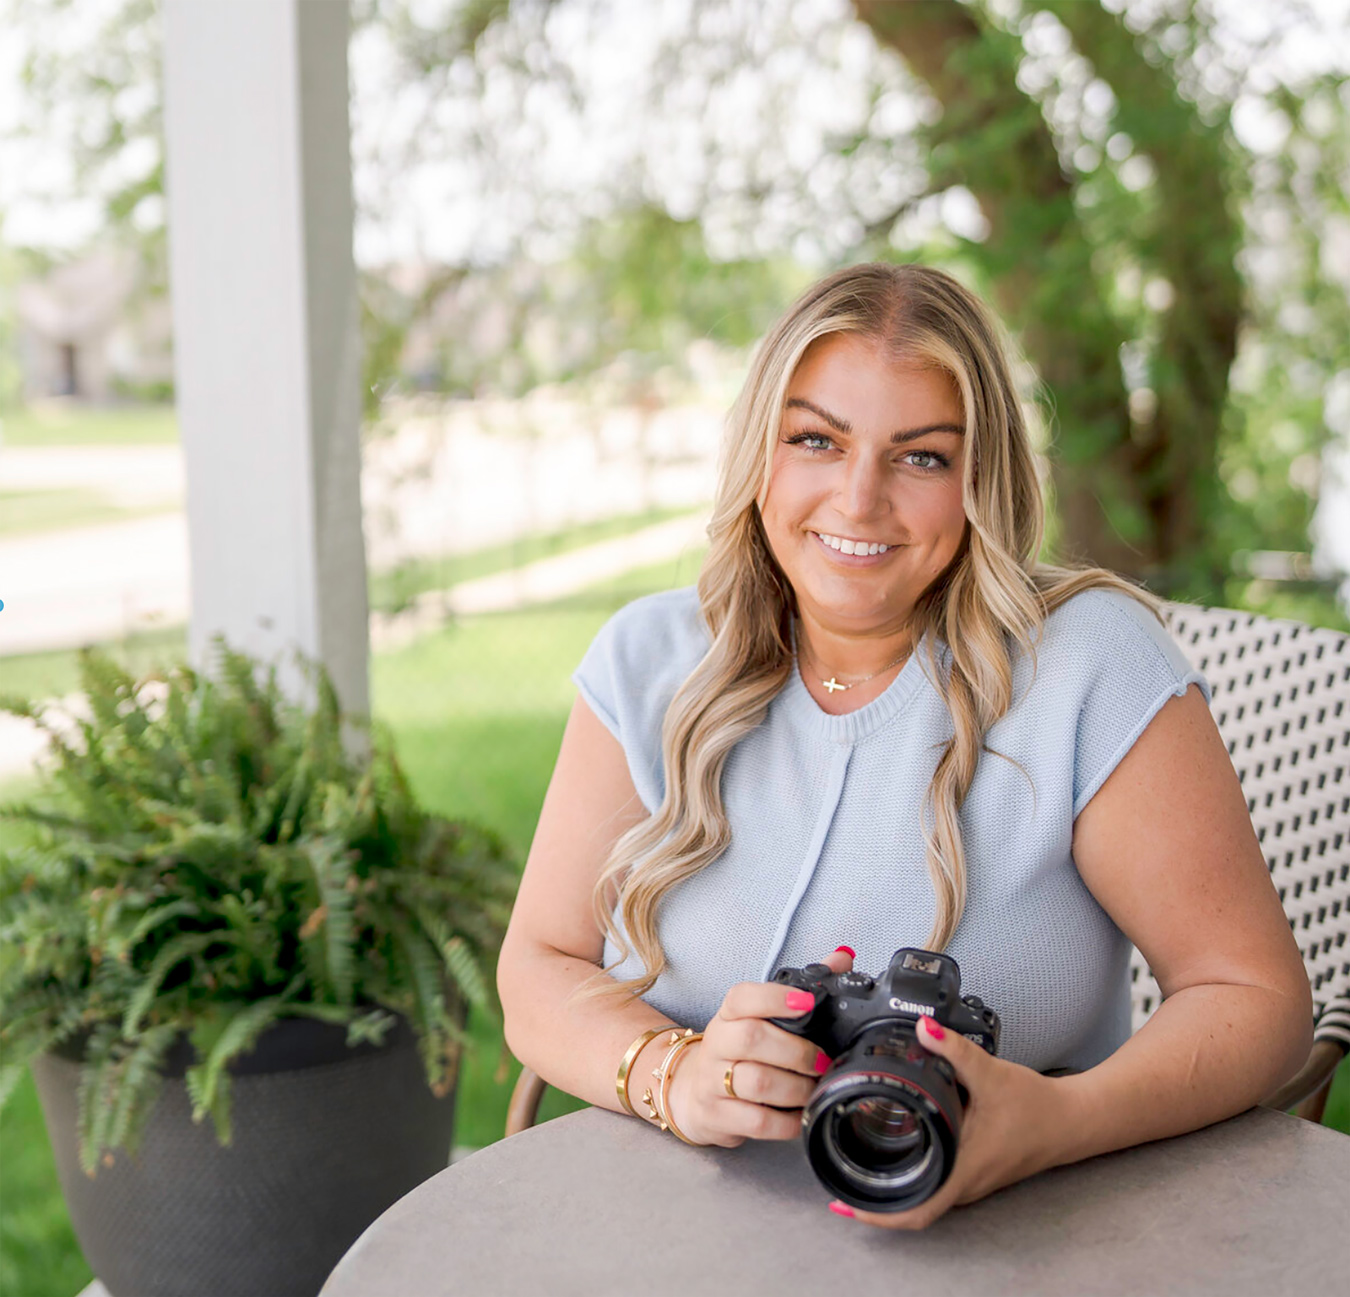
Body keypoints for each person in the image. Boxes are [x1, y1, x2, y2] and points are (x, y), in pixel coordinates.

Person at [496, 262, 1311, 1230]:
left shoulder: (1087, 670)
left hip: (1028, 1235)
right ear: (763, 455)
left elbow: (1254, 996)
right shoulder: (651, 659)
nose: (859, 498)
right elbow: (540, 965)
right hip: (662, 1235)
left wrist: (1048, 1122)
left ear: (981, 479)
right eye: (815, 440)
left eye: (920, 456)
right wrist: (671, 1072)